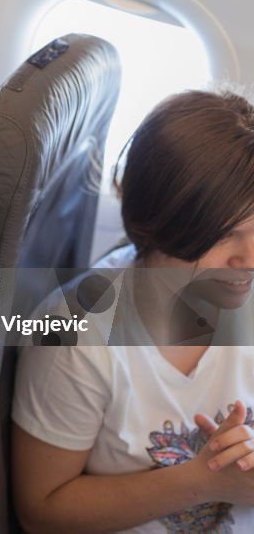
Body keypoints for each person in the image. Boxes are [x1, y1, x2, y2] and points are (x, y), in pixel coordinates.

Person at [13, 90, 254, 532]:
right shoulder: (75, 336)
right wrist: (204, 483)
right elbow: (41, 510)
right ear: (163, 224)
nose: (250, 257)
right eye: (226, 235)